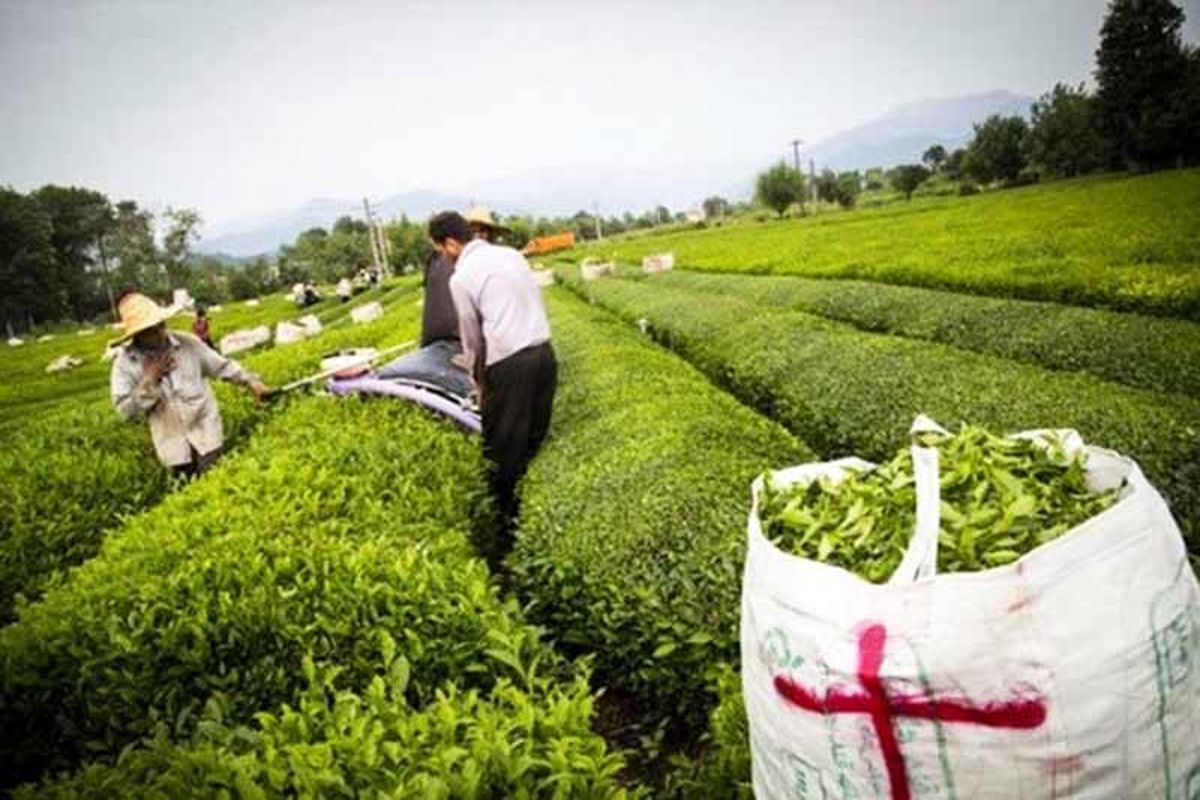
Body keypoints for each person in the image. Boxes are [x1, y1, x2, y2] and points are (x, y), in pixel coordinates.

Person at [428, 211, 557, 539]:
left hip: (510, 365)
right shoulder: (512, 255)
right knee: (533, 439)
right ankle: (539, 512)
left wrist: (479, 382)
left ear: (452, 244)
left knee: (502, 453)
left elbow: (471, 337)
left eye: (441, 249)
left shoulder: (461, 278)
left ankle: (508, 530)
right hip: (544, 354)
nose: (443, 256)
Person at [109, 291, 271, 478]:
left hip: (206, 433)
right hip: (173, 448)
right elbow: (125, 411)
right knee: (190, 491)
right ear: (138, 335)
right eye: (151, 331)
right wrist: (149, 379)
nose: (160, 333)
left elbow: (222, 367)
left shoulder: (188, 344)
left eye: (161, 325)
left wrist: (251, 381)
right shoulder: (125, 365)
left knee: (216, 483)